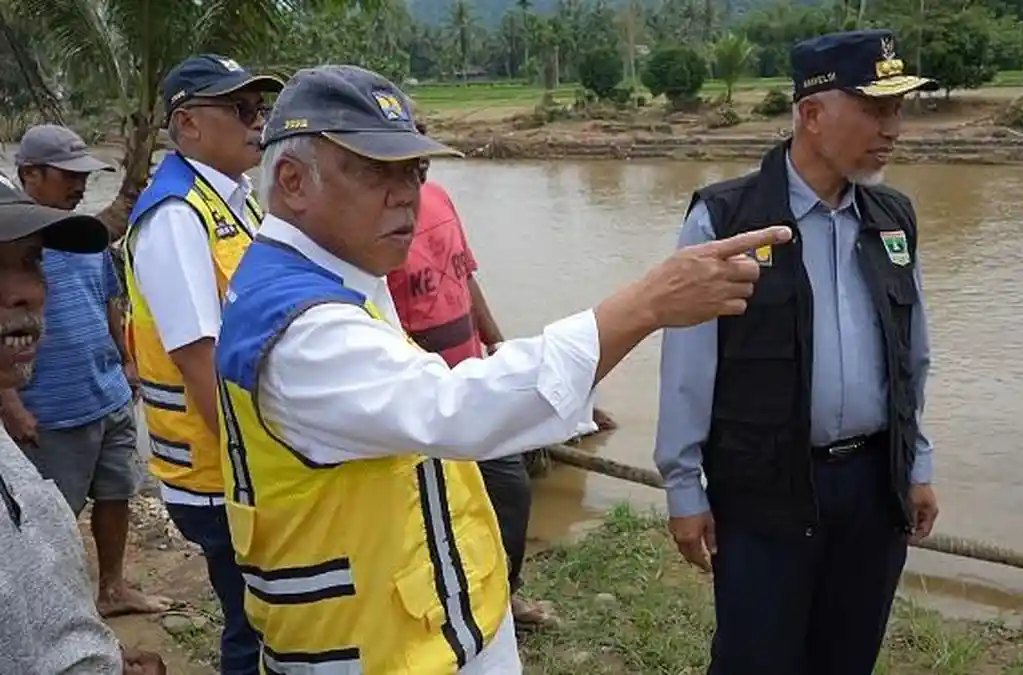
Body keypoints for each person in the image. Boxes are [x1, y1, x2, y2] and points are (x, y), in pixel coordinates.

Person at [212, 64, 787, 674]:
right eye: (378, 170)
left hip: (427, 627)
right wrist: (645, 305)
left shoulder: (335, 275)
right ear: (294, 182)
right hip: (371, 652)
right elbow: (458, 408)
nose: (407, 192)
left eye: (416, 169)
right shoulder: (301, 325)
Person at [653, 29, 941, 674]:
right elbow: (687, 368)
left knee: (848, 653)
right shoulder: (727, 220)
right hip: (764, 490)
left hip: (873, 488)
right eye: (873, 108)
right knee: (757, 657)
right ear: (812, 114)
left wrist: (916, 462)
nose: (892, 127)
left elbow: (913, 354)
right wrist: (683, 487)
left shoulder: (892, 218)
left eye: (897, 109)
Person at [387, 123, 616, 630]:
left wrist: (498, 344)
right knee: (426, 513)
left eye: (422, 162)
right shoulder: (375, 227)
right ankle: (433, 612)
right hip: (422, 396)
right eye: (403, 164)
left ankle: (504, 595)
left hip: (475, 378)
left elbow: (464, 277)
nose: (416, 174)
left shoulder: (441, 200)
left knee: (509, 493)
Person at [124, 54, 281, 675]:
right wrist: (264, 468)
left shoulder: (237, 201)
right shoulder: (176, 217)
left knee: (270, 616)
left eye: (259, 109)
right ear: (188, 125)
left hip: (244, 457)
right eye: (240, 110)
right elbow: (200, 362)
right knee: (256, 625)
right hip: (222, 473)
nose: (257, 122)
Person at [1, 125, 170, 619]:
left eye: (84, 176)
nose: (79, 185)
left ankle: (112, 589)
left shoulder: (86, 238)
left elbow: (109, 300)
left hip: (108, 394)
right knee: (50, 517)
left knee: (117, 493)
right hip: (51, 410)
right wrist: (12, 406)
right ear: (30, 174)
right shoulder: (12, 244)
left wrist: (128, 363)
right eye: (68, 174)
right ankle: (56, 614)